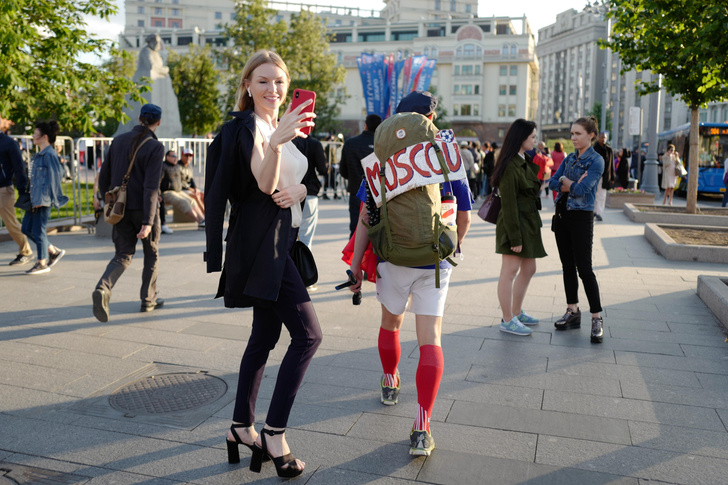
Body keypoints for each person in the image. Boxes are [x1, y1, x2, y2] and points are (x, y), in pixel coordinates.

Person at [205, 50, 322, 479]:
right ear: (247, 87)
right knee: (309, 335)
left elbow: (299, 181)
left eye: (279, 81)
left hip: (284, 241)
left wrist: (303, 189)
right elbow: (265, 183)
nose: (273, 89)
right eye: (263, 81)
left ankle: (240, 426)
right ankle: (274, 433)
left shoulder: (284, 126)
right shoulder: (247, 128)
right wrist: (275, 143)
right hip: (261, 246)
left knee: (264, 335)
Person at [347, 90, 472, 457]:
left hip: (392, 258)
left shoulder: (378, 163)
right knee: (430, 339)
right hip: (434, 261)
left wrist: (355, 267)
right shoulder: (446, 159)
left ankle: (389, 381)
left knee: (391, 324)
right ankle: (421, 427)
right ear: (428, 121)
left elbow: (365, 221)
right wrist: (453, 248)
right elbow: (463, 217)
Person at [92, 103, 166, 322]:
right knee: (151, 254)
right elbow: (151, 187)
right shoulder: (154, 146)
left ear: (139, 118)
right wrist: (148, 221)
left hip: (120, 209)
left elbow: (104, 175)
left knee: (123, 254)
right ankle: (148, 299)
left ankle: (103, 288)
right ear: (158, 122)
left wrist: (106, 200)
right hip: (144, 209)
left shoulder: (118, 140)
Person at [547, 116, 606, 344]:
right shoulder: (570, 158)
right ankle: (572, 311)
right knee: (567, 266)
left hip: (581, 218)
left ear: (590, 135)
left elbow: (582, 190)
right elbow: (552, 183)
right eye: (572, 134)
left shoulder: (596, 160)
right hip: (562, 216)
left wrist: (567, 184)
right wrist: (568, 181)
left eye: (577, 134)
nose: (573, 138)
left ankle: (597, 317)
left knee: (585, 268)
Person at [490, 119, 547, 336]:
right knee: (510, 271)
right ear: (521, 138)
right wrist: (514, 237)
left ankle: (515, 311)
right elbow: (510, 204)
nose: (536, 140)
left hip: (528, 222)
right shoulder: (511, 164)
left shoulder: (523, 159)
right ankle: (507, 319)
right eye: (533, 136)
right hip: (515, 224)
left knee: (529, 269)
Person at [21, 121, 68, 275]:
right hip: (34, 198)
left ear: (44, 136)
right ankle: (52, 251)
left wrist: (50, 198)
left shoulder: (49, 155)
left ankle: (42, 262)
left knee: (38, 230)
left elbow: (56, 176)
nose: (33, 136)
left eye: (35, 134)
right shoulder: (38, 155)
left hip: (43, 199)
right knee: (26, 228)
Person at [339, 114, 381, 237]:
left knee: (356, 229)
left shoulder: (350, 143)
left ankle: (354, 256)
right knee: (378, 230)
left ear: (365, 125)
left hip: (356, 191)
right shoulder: (384, 144)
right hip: (379, 194)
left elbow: (343, 170)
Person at [0, 114, 33, 266]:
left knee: (11, 223)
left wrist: (22, 191)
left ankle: (26, 251)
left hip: (4, 189)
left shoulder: (9, 143)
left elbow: (19, 169)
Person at [292, 134, 328, 254]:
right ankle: (303, 270)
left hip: (289, 193)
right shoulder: (314, 143)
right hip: (309, 191)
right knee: (305, 238)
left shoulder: (286, 141)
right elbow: (322, 169)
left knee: (288, 237)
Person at [160, 149, 205, 229]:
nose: (175, 158)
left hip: (178, 191)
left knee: (192, 200)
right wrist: (159, 194)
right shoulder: (163, 167)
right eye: (173, 156)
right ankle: (200, 221)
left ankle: (203, 220)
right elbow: (158, 182)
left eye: (176, 156)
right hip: (168, 192)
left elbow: (189, 180)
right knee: (184, 202)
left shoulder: (177, 166)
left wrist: (195, 188)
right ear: (167, 157)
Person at [592, 132, 614, 221]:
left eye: (605, 138)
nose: (603, 139)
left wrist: (612, 177)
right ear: (598, 138)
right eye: (601, 137)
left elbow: (611, 164)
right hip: (594, 175)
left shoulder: (609, 149)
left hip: (605, 176)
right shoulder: (594, 148)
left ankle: (599, 213)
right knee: (594, 194)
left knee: (602, 195)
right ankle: (593, 211)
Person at [179, 148, 205, 213]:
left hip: (189, 189)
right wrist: (191, 189)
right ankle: (205, 214)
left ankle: (208, 213)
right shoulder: (177, 166)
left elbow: (191, 179)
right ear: (182, 156)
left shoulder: (189, 166)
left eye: (190, 156)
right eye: (186, 155)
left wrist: (195, 188)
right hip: (182, 189)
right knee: (197, 196)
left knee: (203, 195)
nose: (188, 157)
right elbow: (178, 182)